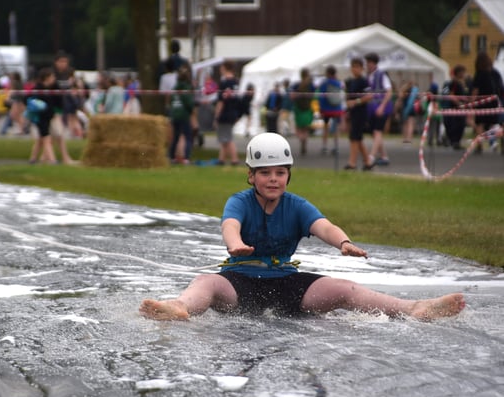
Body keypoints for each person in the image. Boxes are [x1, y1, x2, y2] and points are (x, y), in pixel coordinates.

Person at [139, 133, 466, 322]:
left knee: (344, 288)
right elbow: (230, 225)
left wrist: (343, 243)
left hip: (286, 282)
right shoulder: (239, 201)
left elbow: (324, 226)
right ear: (251, 175)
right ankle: (179, 307)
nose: (273, 179)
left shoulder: (296, 205)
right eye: (265, 173)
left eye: (280, 173)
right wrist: (235, 244)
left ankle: (415, 309)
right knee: (206, 282)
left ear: (288, 175)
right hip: (239, 283)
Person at [469, 51, 504, 154]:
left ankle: (479, 145)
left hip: (482, 102)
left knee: (480, 124)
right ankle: (502, 144)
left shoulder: (479, 74)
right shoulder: (496, 73)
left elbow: (475, 90)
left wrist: (471, 103)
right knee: (499, 123)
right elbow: (501, 88)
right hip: (495, 101)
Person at [344, 58, 374, 170]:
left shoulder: (364, 81)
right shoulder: (350, 82)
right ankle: (367, 161)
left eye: (357, 67)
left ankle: (352, 162)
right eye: (353, 66)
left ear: (362, 68)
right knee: (357, 138)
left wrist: (356, 102)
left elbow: (369, 96)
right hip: (353, 113)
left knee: (354, 137)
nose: (354, 69)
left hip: (361, 112)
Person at [364, 52, 393, 166]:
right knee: (375, 133)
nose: (367, 65)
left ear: (374, 63)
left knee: (377, 131)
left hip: (382, 107)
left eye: (369, 63)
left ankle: (371, 156)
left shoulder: (382, 75)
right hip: (372, 108)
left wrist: (382, 106)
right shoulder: (368, 76)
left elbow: (389, 91)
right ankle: (384, 156)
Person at [27, 67, 58, 164]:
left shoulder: (50, 88)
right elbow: (27, 98)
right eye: (52, 76)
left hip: (47, 117)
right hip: (40, 117)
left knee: (41, 139)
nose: (54, 78)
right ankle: (53, 160)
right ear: (47, 77)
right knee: (47, 139)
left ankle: (33, 159)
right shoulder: (38, 88)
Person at [213, 60, 242, 165]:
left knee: (227, 138)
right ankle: (221, 159)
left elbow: (221, 102)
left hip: (225, 113)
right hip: (233, 112)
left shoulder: (224, 82)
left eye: (221, 67)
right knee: (224, 137)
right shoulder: (236, 82)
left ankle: (235, 159)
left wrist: (216, 116)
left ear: (225, 68)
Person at [168, 65, 195, 164]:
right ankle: (186, 158)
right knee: (188, 137)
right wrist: (191, 110)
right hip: (184, 115)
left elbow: (170, 101)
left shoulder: (175, 88)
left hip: (175, 114)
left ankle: (171, 157)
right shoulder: (186, 88)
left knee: (175, 137)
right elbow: (189, 103)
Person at [317, 65, 345, 155]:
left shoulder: (324, 83)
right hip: (337, 108)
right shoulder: (339, 83)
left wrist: (320, 109)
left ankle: (324, 146)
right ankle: (336, 146)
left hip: (326, 109)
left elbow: (321, 97)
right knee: (336, 128)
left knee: (325, 127)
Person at [441, 64, 468, 150]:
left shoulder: (462, 83)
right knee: (454, 125)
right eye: (463, 72)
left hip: (459, 109)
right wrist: (459, 103)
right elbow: (448, 94)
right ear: (458, 73)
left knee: (460, 125)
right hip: (453, 108)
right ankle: (453, 141)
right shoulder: (452, 83)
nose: (464, 74)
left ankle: (455, 141)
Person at [290, 68, 315, 156]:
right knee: (305, 128)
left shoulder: (296, 85)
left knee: (299, 128)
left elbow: (292, 96)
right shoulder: (311, 85)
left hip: (298, 108)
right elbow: (314, 96)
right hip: (307, 108)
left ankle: (301, 139)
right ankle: (304, 141)